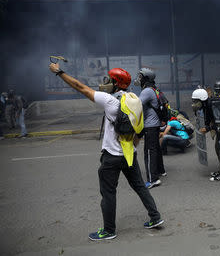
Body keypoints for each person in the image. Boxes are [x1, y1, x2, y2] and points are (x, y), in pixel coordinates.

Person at [48, 62, 164, 241]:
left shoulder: (109, 100)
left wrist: (59, 72)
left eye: (109, 79)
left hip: (111, 156)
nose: (106, 81)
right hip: (129, 153)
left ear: (116, 83)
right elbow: (139, 129)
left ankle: (109, 231)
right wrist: (133, 145)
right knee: (140, 187)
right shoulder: (133, 99)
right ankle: (155, 217)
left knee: (108, 192)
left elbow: (81, 87)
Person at [135, 68, 166, 188]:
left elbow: (137, 105)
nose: (139, 79)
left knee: (149, 152)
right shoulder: (153, 89)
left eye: (141, 77)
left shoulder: (147, 91)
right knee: (156, 149)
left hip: (150, 126)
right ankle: (160, 170)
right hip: (155, 124)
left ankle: (153, 179)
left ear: (146, 78)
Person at [192, 88, 220, 181]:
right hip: (219, 127)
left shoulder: (212, 106)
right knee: (218, 148)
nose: (194, 104)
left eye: (196, 101)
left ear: (202, 99)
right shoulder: (205, 106)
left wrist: (208, 128)